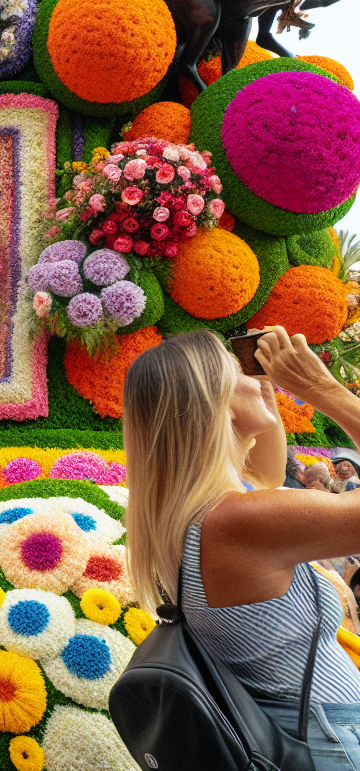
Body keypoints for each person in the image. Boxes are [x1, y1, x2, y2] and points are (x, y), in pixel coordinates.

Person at [124, 327, 360, 769]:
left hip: (307, 732)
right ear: (214, 402)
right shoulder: (236, 521)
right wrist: (319, 387)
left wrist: (264, 386)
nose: (255, 379)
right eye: (238, 370)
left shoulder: (193, 514)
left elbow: (267, 473)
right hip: (331, 742)